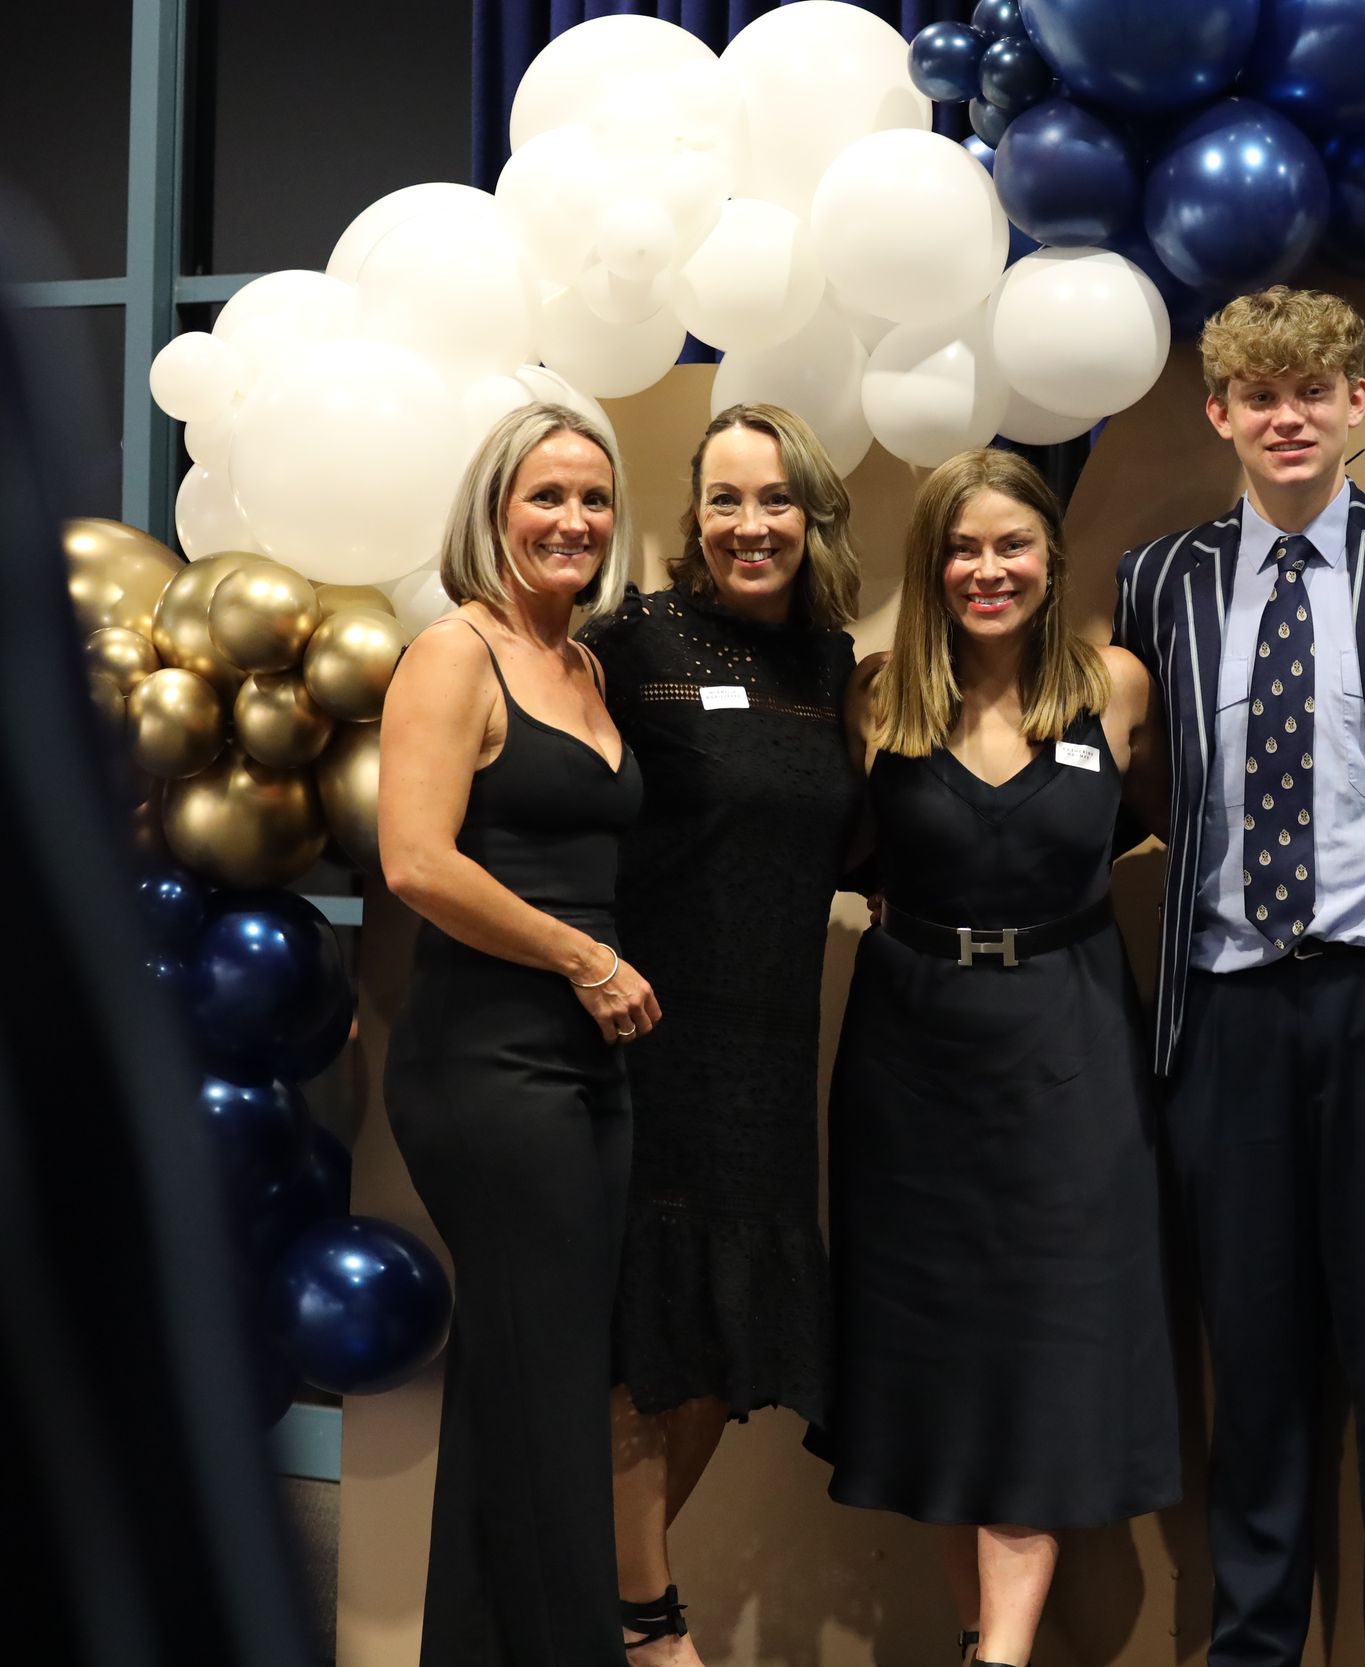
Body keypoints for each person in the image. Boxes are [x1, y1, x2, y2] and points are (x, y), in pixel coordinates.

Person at [1112, 285, 1365, 1667]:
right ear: (1218, 413)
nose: (1287, 418)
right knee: (1254, 1354)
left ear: (1356, 403)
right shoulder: (1160, 580)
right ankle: (1255, 1642)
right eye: (1259, 396)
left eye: (1312, 392)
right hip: (1228, 1006)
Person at [816, 448, 1176, 1667]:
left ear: (1050, 559)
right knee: (937, 1352)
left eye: (1011, 545)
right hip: (908, 1062)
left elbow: (1189, 825)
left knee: (1044, 1347)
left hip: (1071, 1049)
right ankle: (984, 1633)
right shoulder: (877, 700)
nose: (988, 569)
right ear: (929, 564)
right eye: (962, 548)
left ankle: (1001, 1654)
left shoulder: (1114, 687)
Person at [580, 404, 867, 1666]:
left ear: (814, 515)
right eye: (726, 499)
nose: (751, 525)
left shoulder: (831, 663)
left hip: (770, 1045)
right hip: (651, 1030)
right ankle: (648, 1623)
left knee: (719, 1345)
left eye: (776, 499)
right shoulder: (628, 643)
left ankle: (605, 1604)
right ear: (694, 515)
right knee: (652, 1337)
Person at [378, 402, 655, 1667]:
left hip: (587, 1063)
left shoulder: (584, 666)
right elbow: (417, 862)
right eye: (546, 495)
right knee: (545, 1399)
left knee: (524, 1388)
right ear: (493, 510)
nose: (573, 520)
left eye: (593, 498)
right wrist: (582, 955)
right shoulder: (454, 655)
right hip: (487, 1062)